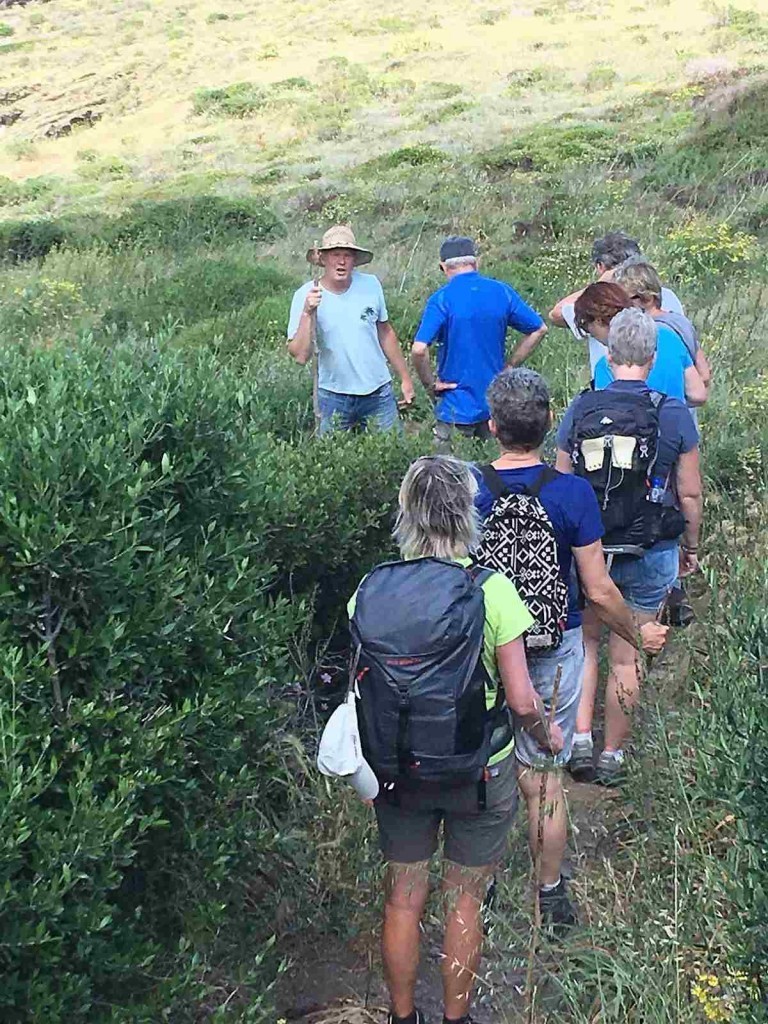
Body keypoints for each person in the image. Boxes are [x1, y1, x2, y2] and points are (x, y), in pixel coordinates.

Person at [347, 455, 562, 1024]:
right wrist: (549, 732)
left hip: (396, 771)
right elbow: (520, 699)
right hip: (479, 771)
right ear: (469, 513)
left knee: (403, 896)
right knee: (464, 898)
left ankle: (400, 1016)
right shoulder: (492, 592)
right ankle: (456, 1017)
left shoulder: (370, 590)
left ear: (406, 514)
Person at [472, 368, 668, 924]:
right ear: (545, 425)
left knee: (488, 770)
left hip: (486, 653)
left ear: (492, 426)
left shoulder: (470, 487)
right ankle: (551, 893)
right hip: (554, 649)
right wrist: (638, 634)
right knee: (545, 778)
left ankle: (479, 882)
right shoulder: (572, 493)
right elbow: (600, 590)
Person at [556, 309, 703, 785]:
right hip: (650, 549)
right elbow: (690, 493)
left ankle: (579, 738)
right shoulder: (672, 411)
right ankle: (612, 755)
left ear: (610, 353)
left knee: (587, 645)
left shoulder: (580, 408)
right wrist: (691, 546)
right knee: (628, 654)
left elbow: (561, 483)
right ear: (653, 355)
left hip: (589, 550)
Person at [411, 236, 547, 451]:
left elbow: (419, 349)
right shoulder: (501, 292)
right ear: (476, 262)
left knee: (450, 477)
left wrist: (430, 384)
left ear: (443, 267)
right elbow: (539, 328)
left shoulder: (441, 299)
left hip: (455, 406)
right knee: (493, 473)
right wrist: (510, 364)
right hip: (496, 404)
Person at [287, 225, 415, 434]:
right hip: (332, 395)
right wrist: (307, 313)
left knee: (392, 455)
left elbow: (385, 332)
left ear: (354, 260)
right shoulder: (306, 295)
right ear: (323, 259)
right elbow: (300, 355)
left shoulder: (371, 285)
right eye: (335, 254)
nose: (341, 261)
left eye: (347, 255)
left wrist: (405, 378)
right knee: (331, 461)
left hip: (378, 392)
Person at [549, 232, 684, 375]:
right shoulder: (667, 296)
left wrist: (601, 283)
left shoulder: (600, 303)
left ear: (600, 266)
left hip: (611, 385)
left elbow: (556, 314)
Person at [574, 282, 707, 406]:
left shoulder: (609, 364)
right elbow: (698, 395)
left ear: (598, 321)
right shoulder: (669, 336)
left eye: (587, 328)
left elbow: (606, 417)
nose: (591, 335)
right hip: (675, 426)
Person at [613, 256, 712, 396]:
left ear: (645, 297)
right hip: (683, 413)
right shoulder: (681, 322)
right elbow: (705, 376)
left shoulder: (645, 333)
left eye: (624, 298)